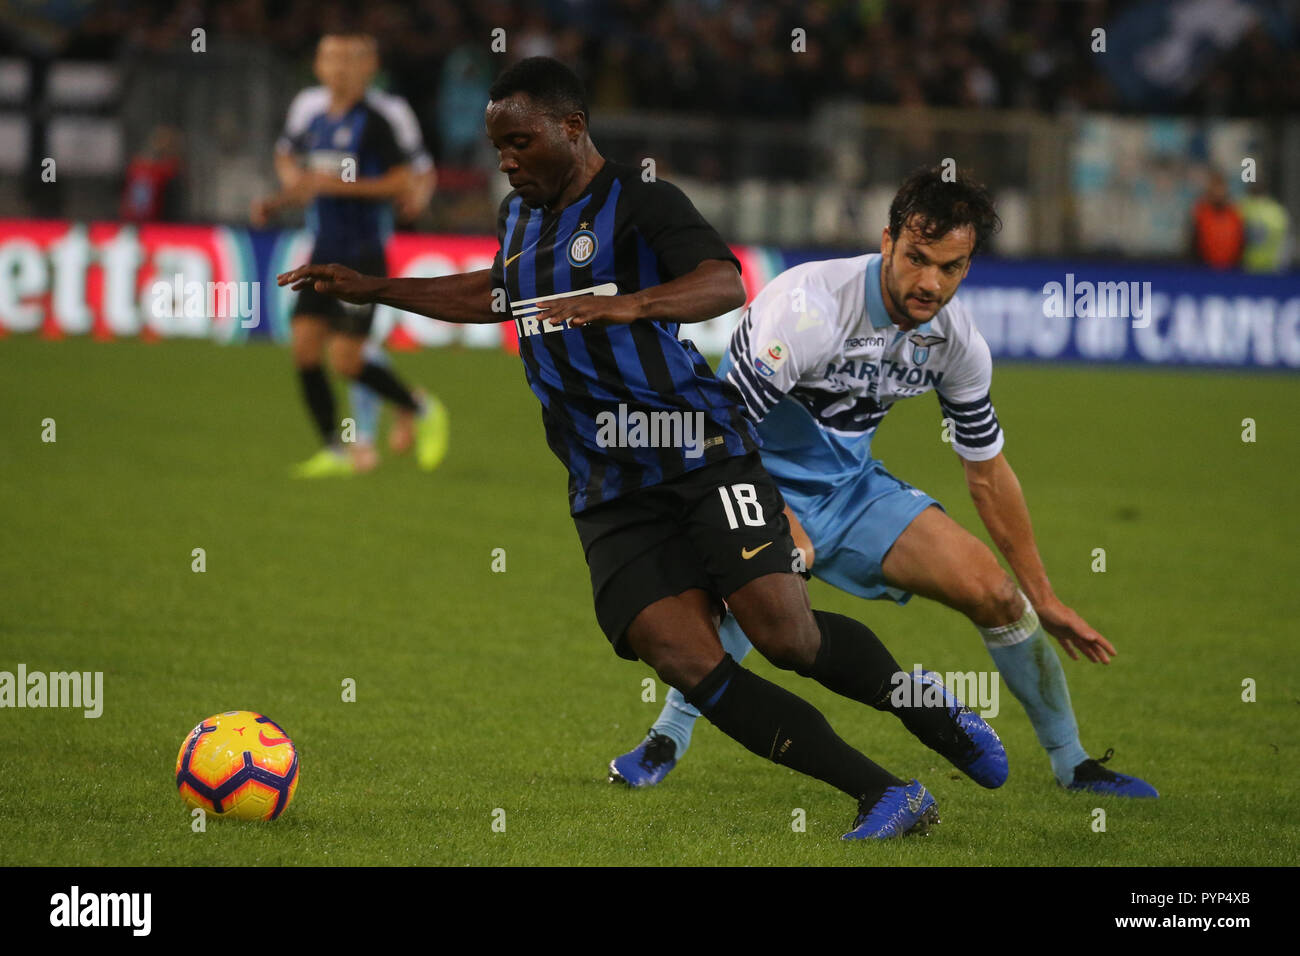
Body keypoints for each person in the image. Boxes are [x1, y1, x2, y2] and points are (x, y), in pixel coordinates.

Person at [280, 57, 1007, 839]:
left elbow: (722, 282)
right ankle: (884, 794)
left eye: (520, 141)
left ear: (572, 127)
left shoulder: (641, 200)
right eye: (499, 147)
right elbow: (499, 294)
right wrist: (376, 288)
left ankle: (927, 708)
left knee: (787, 636)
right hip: (604, 481)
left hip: (698, 450)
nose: (508, 160)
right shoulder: (518, 214)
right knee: (684, 657)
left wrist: (634, 305)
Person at [610, 166, 1157, 800]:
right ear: (888, 241)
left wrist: (1045, 594)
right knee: (764, 581)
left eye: (950, 268)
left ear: (968, 266)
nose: (930, 283)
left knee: (998, 596)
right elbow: (726, 437)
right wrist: (779, 521)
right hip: (750, 475)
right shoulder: (807, 305)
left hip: (853, 491)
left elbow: (986, 473)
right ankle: (666, 737)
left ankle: (1075, 765)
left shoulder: (956, 343)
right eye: (918, 258)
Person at [252, 33, 448, 477]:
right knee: (303, 348)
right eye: (331, 60)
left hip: (361, 255)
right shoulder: (317, 121)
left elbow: (401, 181)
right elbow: (309, 178)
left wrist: (341, 187)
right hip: (323, 250)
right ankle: (334, 449)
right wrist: (276, 203)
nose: (339, 68)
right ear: (319, 70)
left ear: (366, 68)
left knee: (346, 359)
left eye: (348, 60)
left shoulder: (375, 122)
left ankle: (419, 407)